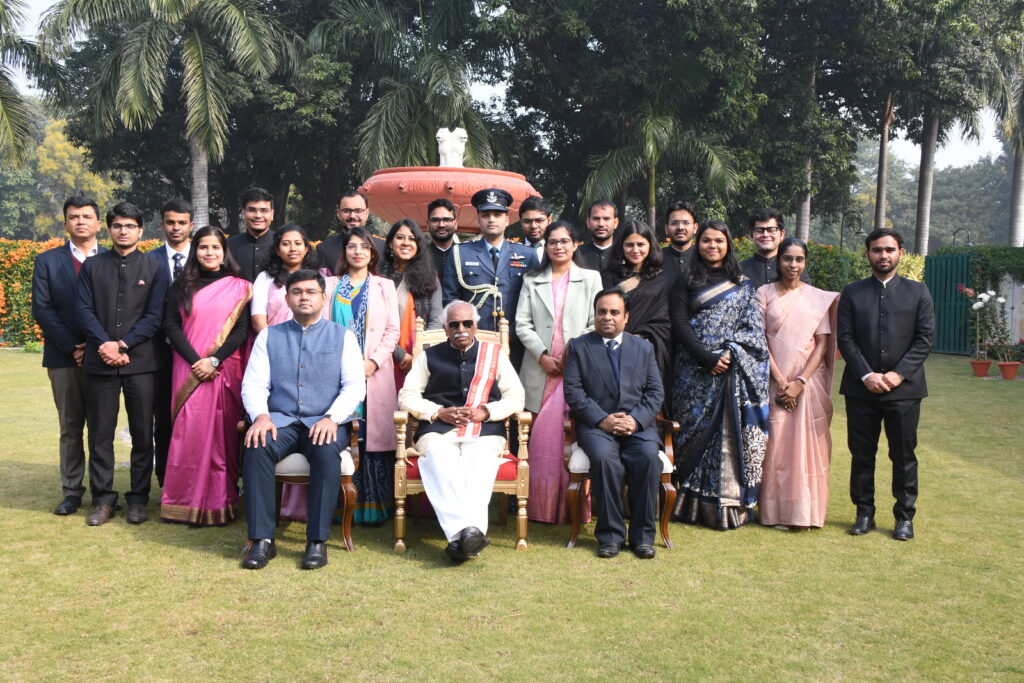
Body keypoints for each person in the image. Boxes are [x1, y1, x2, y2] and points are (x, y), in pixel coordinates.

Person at [240, 269, 366, 570]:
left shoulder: (343, 336)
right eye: (297, 292)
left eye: (311, 292)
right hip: (280, 421)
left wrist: (332, 418)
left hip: (324, 422)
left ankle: (317, 542)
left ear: (323, 297)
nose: (304, 297)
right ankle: (262, 540)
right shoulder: (269, 335)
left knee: (325, 451)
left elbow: (354, 386)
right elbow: (254, 383)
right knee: (257, 446)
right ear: (287, 299)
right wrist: (260, 416)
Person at [397, 301, 526, 563]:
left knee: (478, 461)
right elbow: (407, 395)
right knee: (439, 459)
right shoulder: (428, 357)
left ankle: (460, 539)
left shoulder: (494, 355)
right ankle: (469, 534)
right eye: (454, 325)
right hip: (438, 428)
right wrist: (437, 411)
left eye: (467, 323)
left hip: (486, 429)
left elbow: (516, 396)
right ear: (445, 328)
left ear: (476, 326)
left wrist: (486, 411)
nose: (461, 330)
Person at [668, 220, 770, 530]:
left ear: (728, 245)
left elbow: (752, 331)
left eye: (719, 241)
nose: (712, 246)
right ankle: (684, 505)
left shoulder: (742, 285)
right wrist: (706, 357)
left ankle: (722, 507)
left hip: (728, 372)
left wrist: (728, 354)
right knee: (689, 433)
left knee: (722, 435)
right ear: (698, 244)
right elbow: (678, 322)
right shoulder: (685, 280)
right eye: (706, 240)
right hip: (691, 372)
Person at [838, 229, 934, 541]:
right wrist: (867, 375)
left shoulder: (918, 292)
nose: (883, 255)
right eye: (877, 249)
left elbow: (925, 338)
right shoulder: (852, 292)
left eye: (889, 250)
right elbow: (845, 339)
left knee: (904, 456)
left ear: (901, 253)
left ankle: (904, 517)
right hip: (860, 389)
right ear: (868, 253)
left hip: (904, 391)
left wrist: (898, 374)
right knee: (861, 455)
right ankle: (864, 513)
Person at [77, 202, 169, 526]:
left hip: (141, 363)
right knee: (100, 434)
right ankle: (103, 500)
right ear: (109, 229)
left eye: (130, 226)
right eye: (117, 225)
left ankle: (138, 499)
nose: (123, 231)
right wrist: (105, 344)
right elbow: (83, 310)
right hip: (100, 362)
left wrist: (123, 344)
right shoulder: (92, 267)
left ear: (140, 230)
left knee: (143, 434)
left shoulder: (155, 268)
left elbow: (156, 316)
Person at [563, 288, 665, 559]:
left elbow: (655, 393)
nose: (607, 317)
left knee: (648, 458)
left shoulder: (643, 348)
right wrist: (602, 420)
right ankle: (610, 537)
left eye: (614, 312)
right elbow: (573, 392)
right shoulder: (579, 347)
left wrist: (635, 420)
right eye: (602, 312)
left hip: (636, 426)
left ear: (626, 317)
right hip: (596, 426)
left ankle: (643, 538)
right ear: (595, 314)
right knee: (605, 459)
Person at [159, 227, 251, 525]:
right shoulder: (181, 286)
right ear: (194, 251)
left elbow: (241, 331)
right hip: (188, 369)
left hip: (224, 370)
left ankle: (221, 501)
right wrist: (196, 361)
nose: (209, 253)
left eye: (215, 247)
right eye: (203, 247)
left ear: (224, 251)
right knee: (188, 434)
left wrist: (214, 359)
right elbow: (171, 326)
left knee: (222, 437)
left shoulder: (240, 287)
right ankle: (182, 501)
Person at [515, 220, 602, 523]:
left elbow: (596, 322)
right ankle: (540, 507)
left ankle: (574, 506)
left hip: (577, 370)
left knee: (573, 438)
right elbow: (522, 324)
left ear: (575, 245)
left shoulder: (591, 278)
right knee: (541, 440)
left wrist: (571, 352)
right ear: (546, 246)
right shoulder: (532, 280)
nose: (559, 247)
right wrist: (542, 355)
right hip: (540, 371)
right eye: (553, 242)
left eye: (565, 241)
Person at [756, 238, 839, 530]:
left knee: (807, 448)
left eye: (799, 259)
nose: (793, 265)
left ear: (805, 262)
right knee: (777, 446)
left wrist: (799, 382)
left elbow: (822, 344)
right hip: (774, 380)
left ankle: (805, 513)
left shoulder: (816, 298)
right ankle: (774, 513)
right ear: (778, 260)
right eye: (788, 258)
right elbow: (759, 340)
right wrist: (781, 382)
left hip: (808, 383)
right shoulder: (764, 293)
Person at [32, 195, 106, 516]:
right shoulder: (48, 261)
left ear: (98, 223)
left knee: (102, 428)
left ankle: (103, 491)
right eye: (74, 217)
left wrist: (95, 346)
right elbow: (42, 309)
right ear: (65, 224)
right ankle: (72, 491)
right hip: (64, 358)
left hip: (103, 356)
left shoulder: (112, 259)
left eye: (87, 216)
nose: (80, 221)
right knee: (70, 426)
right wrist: (74, 347)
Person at [330, 228, 400, 523]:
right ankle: (340, 507)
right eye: (352, 246)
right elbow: (323, 327)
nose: (357, 251)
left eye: (364, 246)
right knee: (344, 433)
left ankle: (375, 508)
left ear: (372, 253)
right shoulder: (330, 285)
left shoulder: (385, 286)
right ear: (344, 252)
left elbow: (392, 330)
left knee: (373, 438)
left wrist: (373, 362)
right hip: (337, 373)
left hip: (375, 372)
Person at [441, 188, 539, 369]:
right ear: (478, 219)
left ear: (507, 219)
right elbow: (450, 299)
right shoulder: (460, 253)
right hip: (474, 342)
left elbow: (536, 300)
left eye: (497, 215)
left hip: (516, 342)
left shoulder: (527, 255)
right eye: (485, 215)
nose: (491, 219)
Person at [148, 197, 194, 487]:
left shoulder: (205, 257)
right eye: (170, 222)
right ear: (162, 224)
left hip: (197, 353)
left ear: (191, 224)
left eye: (181, 223)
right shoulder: (147, 261)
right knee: (163, 418)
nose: (176, 228)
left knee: (195, 418)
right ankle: (165, 480)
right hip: (157, 353)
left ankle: (195, 479)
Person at [601, 220, 672, 393]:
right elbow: (602, 313)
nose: (635, 250)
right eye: (629, 245)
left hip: (649, 349)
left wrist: (639, 338)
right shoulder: (608, 276)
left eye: (641, 244)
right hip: (612, 349)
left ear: (650, 246)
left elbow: (663, 320)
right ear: (621, 247)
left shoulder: (661, 279)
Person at [378, 218, 443, 386]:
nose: (406, 243)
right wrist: (400, 355)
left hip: (421, 358)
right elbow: (374, 324)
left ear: (418, 245)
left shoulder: (430, 279)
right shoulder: (378, 277)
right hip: (382, 357)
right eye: (400, 237)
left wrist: (419, 355)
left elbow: (436, 321)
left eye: (412, 239)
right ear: (390, 243)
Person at [251, 224, 335, 333]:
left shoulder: (320, 276)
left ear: (306, 249)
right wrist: (276, 341)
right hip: (276, 339)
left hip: (316, 340)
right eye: (286, 244)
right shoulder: (266, 278)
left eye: (298, 243)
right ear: (277, 250)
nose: (293, 249)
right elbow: (258, 321)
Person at [739, 207, 810, 288]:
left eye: (771, 230)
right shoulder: (739, 271)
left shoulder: (795, 269)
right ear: (751, 235)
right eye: (759, 230)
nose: (765, 235)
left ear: (782, 234)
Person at [316, 190, 385, 271]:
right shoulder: (324, 249)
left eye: (358, 210)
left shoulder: (383, 248)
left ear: (367, 213)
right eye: (346, 211)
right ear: (338, 213)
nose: (352, 216)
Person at [227, 187, 276, 282]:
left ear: (272, 214)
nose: (258, 215)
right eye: (252, 210)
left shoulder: (282, 244)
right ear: (243, 213)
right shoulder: (228, 246)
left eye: (264, 210)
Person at [573, 200, 619, 273]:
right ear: (588, 222)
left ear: (615, 223)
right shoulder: (575, 254)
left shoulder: (624, 254)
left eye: (606, 219)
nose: (601, 224)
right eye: (596, 218)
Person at [661, 200, 697, 283]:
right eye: (674, 223)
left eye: (686, 223)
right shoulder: (656, 259)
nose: (680, 227)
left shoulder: (703, 258)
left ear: (695, 228)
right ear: (666, 228)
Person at [425, 197, 460, 276]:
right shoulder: (418, 256)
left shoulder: (466, 255)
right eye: (435, 220)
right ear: (427, 224)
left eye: (447, 220)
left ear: (456, 224)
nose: (441, 225)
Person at [518, 195, 551, 262]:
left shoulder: (558, 250)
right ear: (520, 222)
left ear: (549, 221)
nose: (533, 226)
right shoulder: (511, 251)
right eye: (527, 221)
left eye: (539, 220)